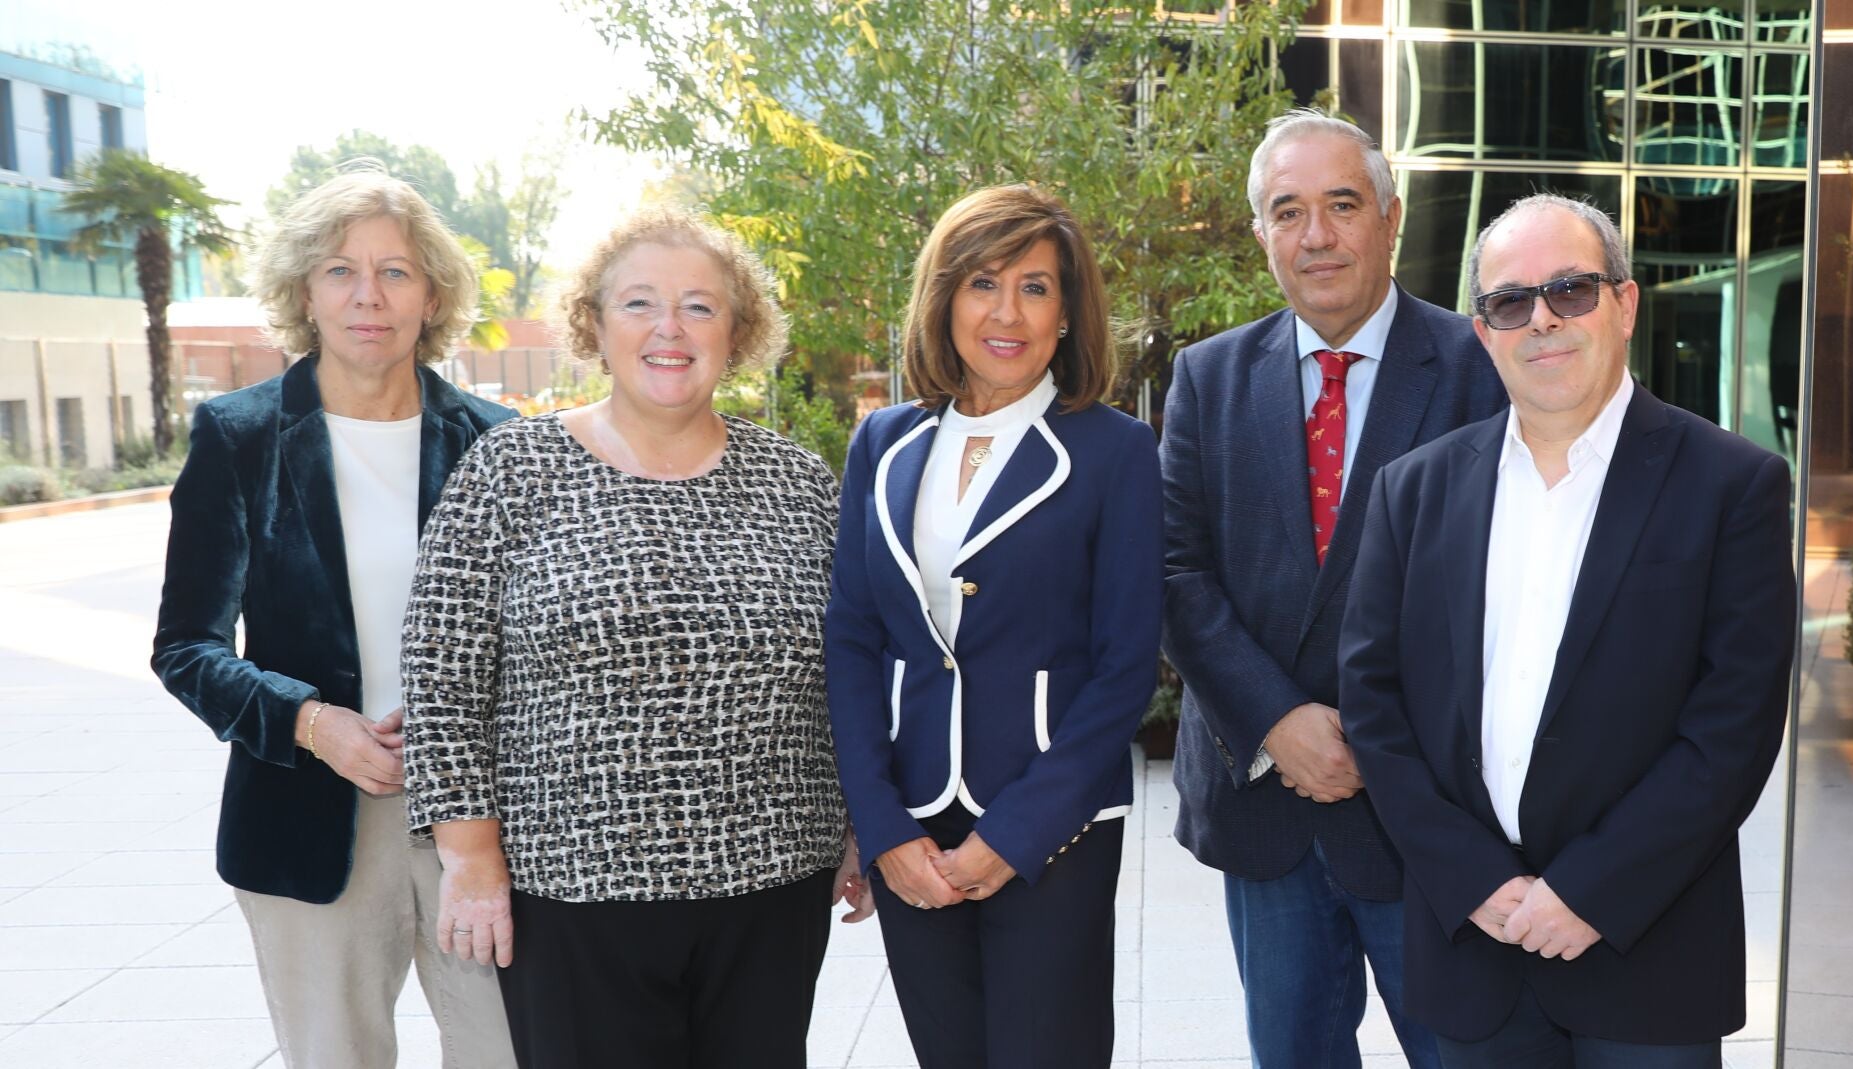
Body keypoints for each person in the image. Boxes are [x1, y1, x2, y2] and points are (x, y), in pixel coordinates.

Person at [401, 207, 872, 1069]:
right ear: (594, 323)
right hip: (574, 889)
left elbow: (848, 667)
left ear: (738, 331)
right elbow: (444, 672)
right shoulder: (511, 470)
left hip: (774, 882)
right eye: (640, 303)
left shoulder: (799, 481)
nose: (670, 328)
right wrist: (468, 855)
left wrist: (857, 822)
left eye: (699, 306)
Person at [1337, 193, 1796, 1065]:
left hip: (1647, 947)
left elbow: (1731, 729)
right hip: (1475, 943)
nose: (1542, 318)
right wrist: (1473, 879)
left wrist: (1590, 890)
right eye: (1511, 301)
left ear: (1624, 305)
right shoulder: (1413, 490)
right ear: (1484, 333)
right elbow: (1373, 703)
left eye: (1571, 290)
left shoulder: (1733, 485)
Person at [1159, 109, 1506, 1068]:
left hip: (1430, 812)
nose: (1316, 235)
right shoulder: (1207, 376)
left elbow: (1512, 585)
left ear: (1391, 218)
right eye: (1288, 211)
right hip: (1266, 808)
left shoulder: (1484, 368)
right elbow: (1176, 571)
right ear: (1261, 234)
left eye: (1343, 205)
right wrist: (1277, 721)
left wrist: (1374, 742)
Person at [151, 169, 517, 1068]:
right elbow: (187, 647)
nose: (368, 295)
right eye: (340, 270)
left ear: (432, 295)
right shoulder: (240, 436)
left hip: (484, 818)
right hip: (305, 816)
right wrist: (314, 723)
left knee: (510, 1051)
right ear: (304, 291)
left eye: (395, 271)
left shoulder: (499, 441)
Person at [826, 183, 1162, 1069]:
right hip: (912, 822)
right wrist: (881, 825)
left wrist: (1012, 836)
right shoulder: (883, 443)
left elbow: (1127, 665)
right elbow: (853, 637)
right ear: (945, 300)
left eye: (1035, 287)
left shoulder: (1116, 450)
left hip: (1055, 825)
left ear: (1067, 312)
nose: (1007, 312)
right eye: (982, 283)